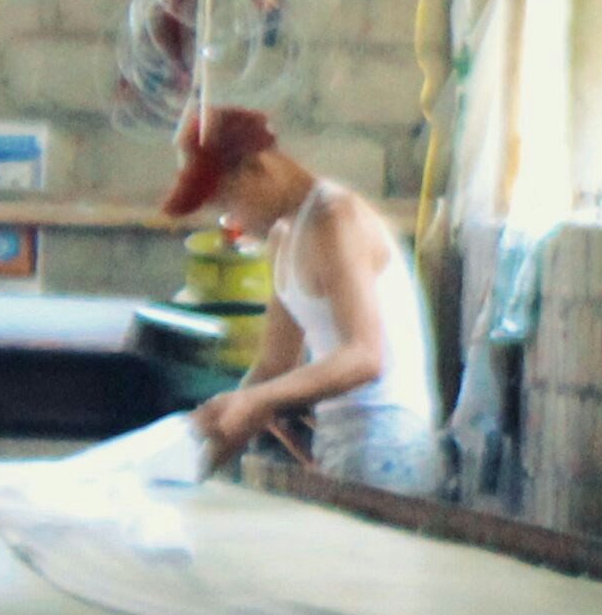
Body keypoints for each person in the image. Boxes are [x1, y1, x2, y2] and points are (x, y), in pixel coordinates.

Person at [168, 103, 444, 494]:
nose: (234, 221)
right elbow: (273, 366)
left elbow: (365, 357)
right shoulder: (283, 237)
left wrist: (253, 401)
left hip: (388, 438)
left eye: (229, 202)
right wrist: (197, 452)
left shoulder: (334, 219)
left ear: (257, 168)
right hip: (340, 436)